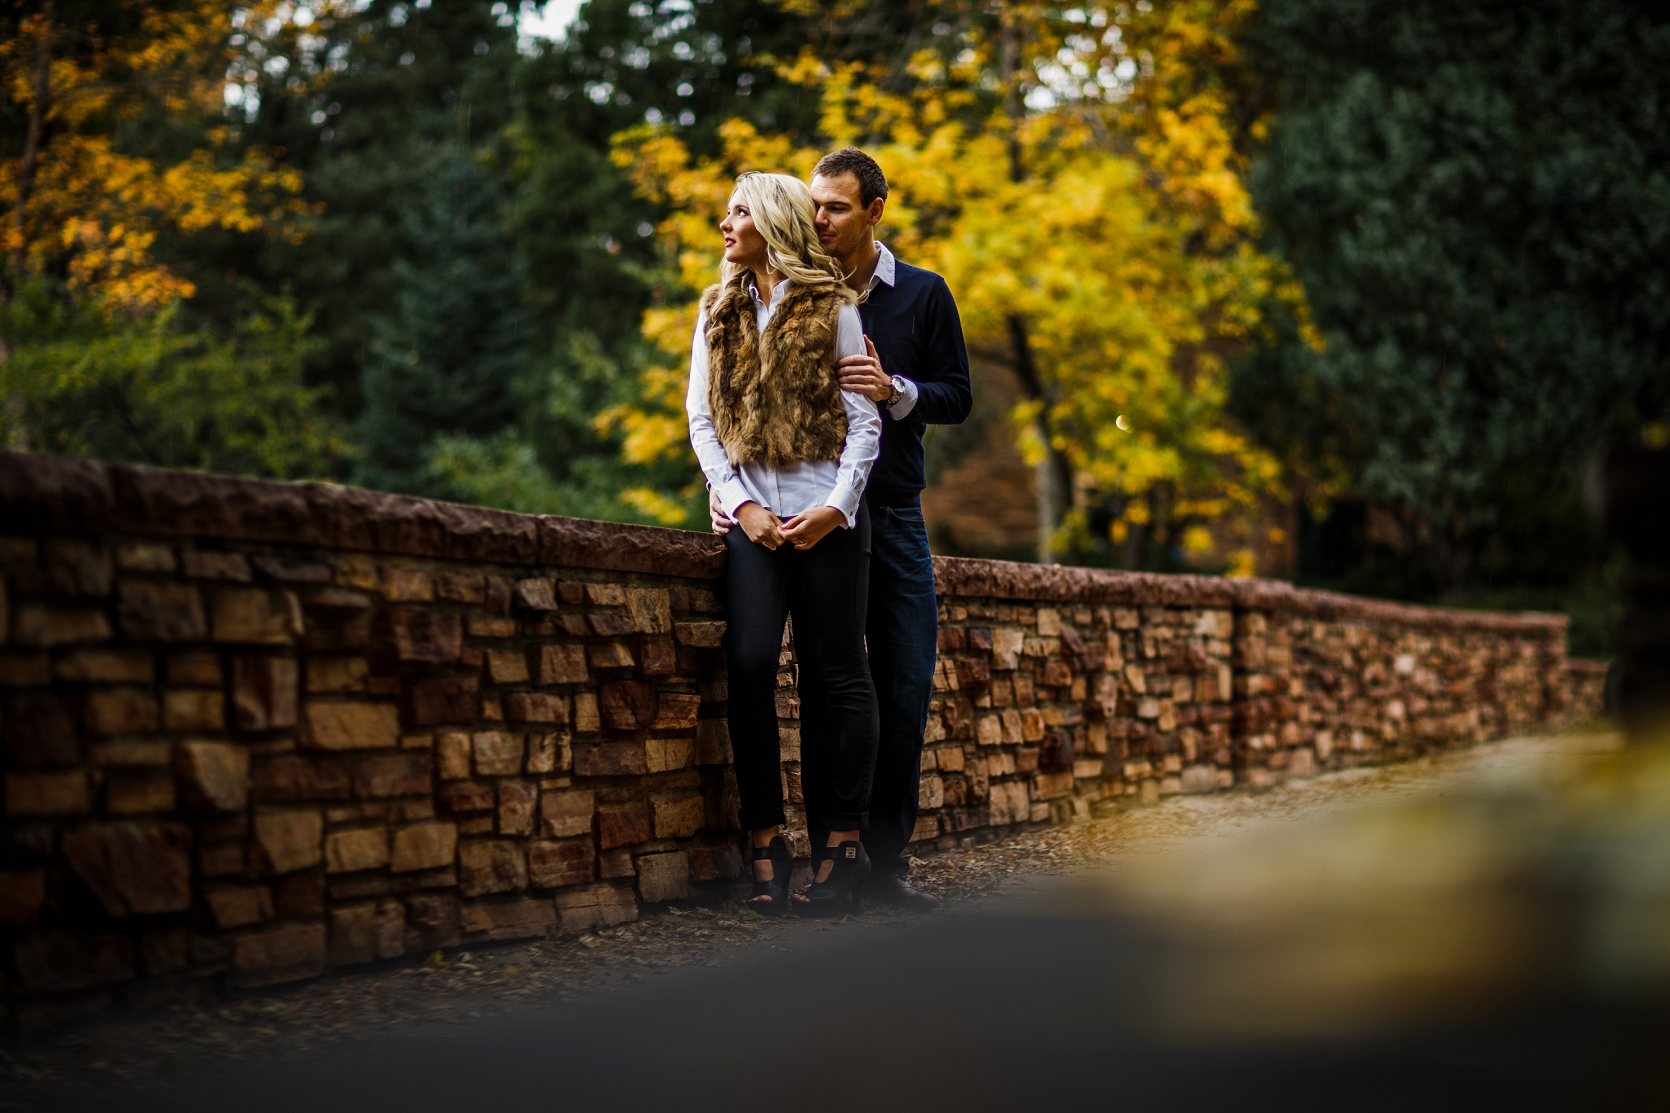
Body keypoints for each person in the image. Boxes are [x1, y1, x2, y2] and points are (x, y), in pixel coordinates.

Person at [711, 149, 972, 911]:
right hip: (811, 513)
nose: (821, 217)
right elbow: (730, 404)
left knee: (902, 679)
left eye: (836, 207)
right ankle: (837, 850)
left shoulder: (920, 294)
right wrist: (729, 489)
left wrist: (896, 389)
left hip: (889, 511)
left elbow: (956, 395)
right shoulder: (797, 295)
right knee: (830, 678)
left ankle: (882, 862)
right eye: (814, 205)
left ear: (873, 212)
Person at [686, 171, 884, 917]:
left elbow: (864, 422)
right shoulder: (716, 309)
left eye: (738, 211)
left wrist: (837, 509)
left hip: (826, 520)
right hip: (753, 524)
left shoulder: (834, 307)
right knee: (749, 664)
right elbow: (701, 420)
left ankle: (841, 843)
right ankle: (767, 837)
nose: (725, 223)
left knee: (838, 674)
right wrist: (738, 503)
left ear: (769, 221)